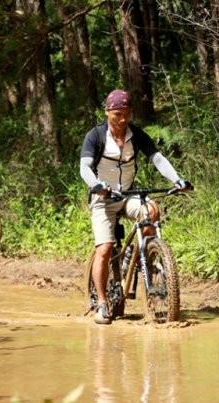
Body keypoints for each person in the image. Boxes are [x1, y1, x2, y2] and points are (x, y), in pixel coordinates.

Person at [80, 90, 192, 325]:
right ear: (108, 113)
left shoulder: (136, 135)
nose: (123, 119)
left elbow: (157, 158)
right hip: (103, 198)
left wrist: (176, 179)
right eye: (118, 114)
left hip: (128, 194)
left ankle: (147, 255)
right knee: (105, 248)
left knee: (152, 211)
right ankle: (101, 303)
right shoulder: (96, 136)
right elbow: (85, 168)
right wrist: (96, 185)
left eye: (127, 114)